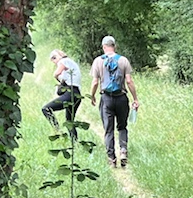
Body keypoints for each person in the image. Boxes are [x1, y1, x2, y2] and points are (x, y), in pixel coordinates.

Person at [89, 35, 139, 167]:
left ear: (103, 47)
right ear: (114, 46)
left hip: (106, 99)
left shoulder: (98, 61)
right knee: (122, 127)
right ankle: (123, 151)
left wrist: (92, 96)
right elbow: (129, 81)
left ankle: (112, 159)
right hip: (121, 98)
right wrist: (135, 99)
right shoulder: (123, 60)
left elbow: (95, 82)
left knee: (108, 129)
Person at [41, 48, 82, 133]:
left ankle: (57, 130)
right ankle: (74, 140)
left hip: (70, 93)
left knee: (46, 108)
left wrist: (57, 78)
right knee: (69, 121)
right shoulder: (71, 63)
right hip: (77, 94)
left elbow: (56, 73)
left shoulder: (63, 61)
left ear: (55, 57)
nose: (55, 63)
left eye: (54, 60)